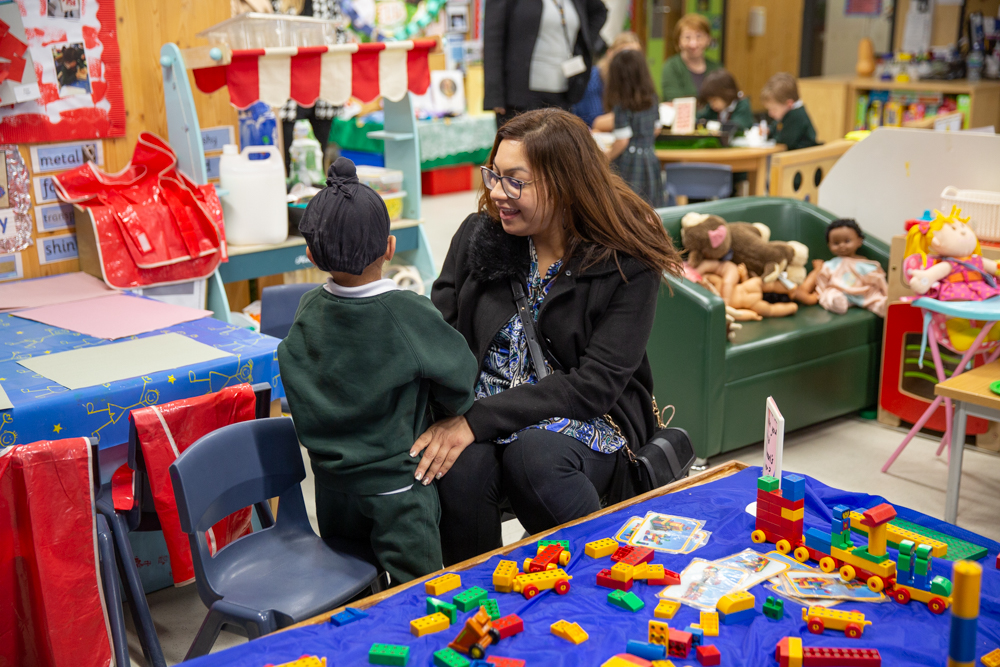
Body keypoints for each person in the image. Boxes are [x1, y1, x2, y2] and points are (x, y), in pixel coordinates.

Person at [415, 108, 684, 565]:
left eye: (515, 181)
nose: (498, 193)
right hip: (479, 417)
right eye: (493, 175)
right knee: (456, 467)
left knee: (535, 456)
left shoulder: (624, 261)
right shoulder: (480, 239)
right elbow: (441, 337)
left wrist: (477, 420)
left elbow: (593, 387)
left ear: (565, 183)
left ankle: (597, 585)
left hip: (587, 422)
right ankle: (475, 601)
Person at [277, 157, 479, 584]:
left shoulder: (308, 310)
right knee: (421, 587)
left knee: (347, 582)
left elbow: (295, 378)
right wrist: (446, 411)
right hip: (398, 487)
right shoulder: (408, 312)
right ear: (389, 248)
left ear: (311, 255)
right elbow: (462, 378)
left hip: (331, 486)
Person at [484, 0, 608, 128]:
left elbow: (599, 12)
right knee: (521, 146)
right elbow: (493, 41)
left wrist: (582, 46)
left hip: (563, 92)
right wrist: (494, 95)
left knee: (559, 146)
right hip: (520, 95)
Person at [604, 49, 665, 207]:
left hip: (629, 164)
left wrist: (606, 158)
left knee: (628, 207)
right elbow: (656, 129)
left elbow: (622, 141)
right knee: (650, 205)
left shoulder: (622, 105)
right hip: (650, 158)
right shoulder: (652, 99)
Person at [815, 218, 887, 317]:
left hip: (863, 293)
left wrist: (886, 293)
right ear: (829, 245)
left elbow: (878, 280)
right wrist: (822, 293)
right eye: (836, 243)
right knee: (830, 294)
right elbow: (822, 281)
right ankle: (837, 303)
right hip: (839, 292)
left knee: (875, 295)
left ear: (859, 241)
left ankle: (882, 306)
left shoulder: (866, 264)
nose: (841, 245)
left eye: (847, 241)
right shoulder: (830, 265)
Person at [572, 31, 642, 128]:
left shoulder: (635, 80)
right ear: (610, 53)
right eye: (625, 55)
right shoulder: (593, 77)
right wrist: (639, 114)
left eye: (636, 56)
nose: (631, 61)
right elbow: (595, 122)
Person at [660, 14, 720, 102]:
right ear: (679, 41)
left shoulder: (716, 68)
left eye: (699, 37)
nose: (693, 44)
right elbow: (675, 101)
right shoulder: (671, 67)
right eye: (687, 38)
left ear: (708, 39)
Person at [761, 72, 818, 151]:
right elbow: (776, 127)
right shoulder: (787, 113)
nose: (770, 113)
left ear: (789, 103)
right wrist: (769, 131)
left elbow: (783, 141)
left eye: (774, 109)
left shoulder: (796, 117)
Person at [697, 69, 755, 134]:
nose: (712, 104)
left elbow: (737, 127)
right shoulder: (712, 109)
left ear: (727, 94)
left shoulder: (742, 105)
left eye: (714, 100)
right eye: (709, 101)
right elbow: (698, 119)